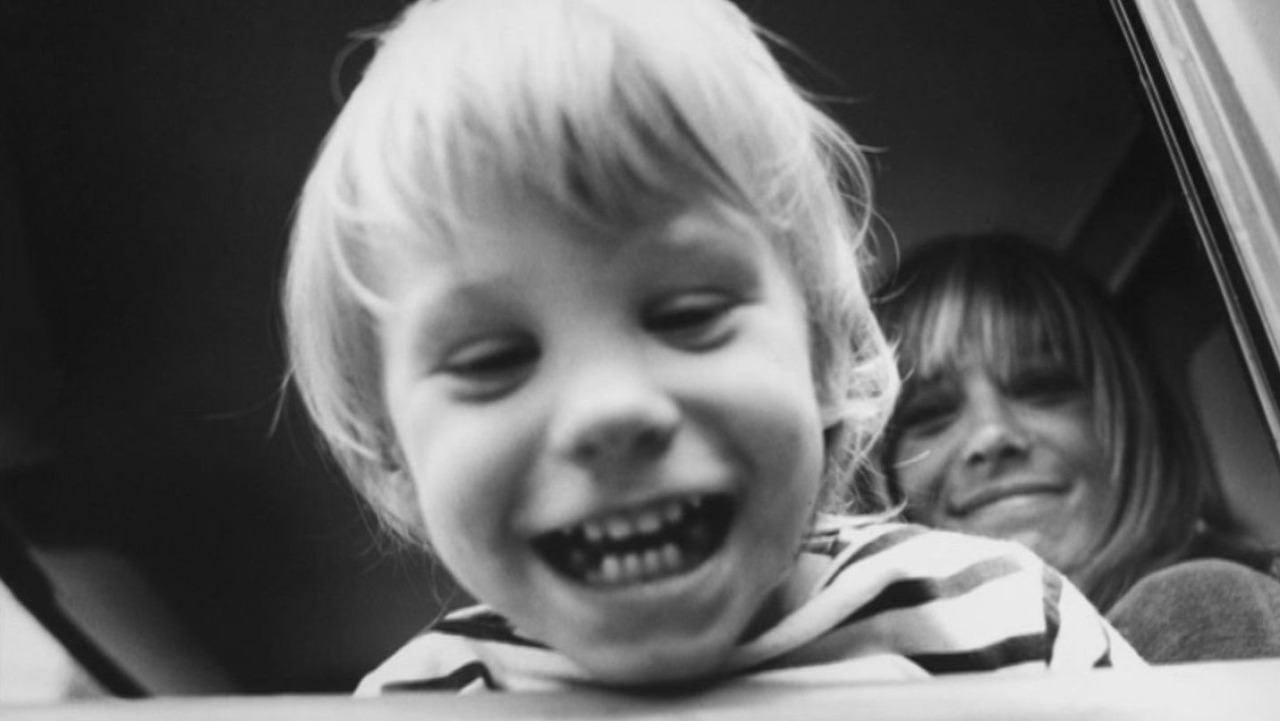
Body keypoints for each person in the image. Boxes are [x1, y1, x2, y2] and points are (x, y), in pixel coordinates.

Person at [282, 0, 1140, 694]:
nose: (609, 409)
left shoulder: (1008, 624)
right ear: (391, 458)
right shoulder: (421, 698)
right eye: (491, 361)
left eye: (689, 313)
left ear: (826, 361)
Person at [874, 233, 1280, 663]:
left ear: (1133, 418)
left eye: (1042, 388)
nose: (992, 435)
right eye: (931, 413)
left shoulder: (1202, 606)